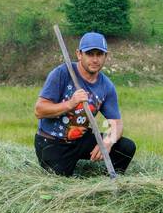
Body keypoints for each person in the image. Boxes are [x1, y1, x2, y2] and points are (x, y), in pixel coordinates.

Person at [33, 31, 137, 176]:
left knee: (126, 147)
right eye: (90, 54)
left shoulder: (106, 86)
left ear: (106, 56)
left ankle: (104, 186)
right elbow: (39, 110)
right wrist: (71, 103)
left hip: (80, 139)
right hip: (52, 141)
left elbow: (117, 123)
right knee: (61, 184)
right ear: (79, 54)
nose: (95, 60)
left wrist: (108, 142)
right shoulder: (62, 73)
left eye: (99, 54)